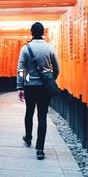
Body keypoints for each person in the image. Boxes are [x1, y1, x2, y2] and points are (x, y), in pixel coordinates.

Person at [16, 22, 59, 160]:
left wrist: (20, 87)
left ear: (32, 33)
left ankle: (28, 137)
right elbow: (57, 69)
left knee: (29, 112)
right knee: (42, 116)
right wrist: (50, 80)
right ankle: (40, 149)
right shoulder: (50, 48)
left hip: (30, 86)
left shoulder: (25, 49)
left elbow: (21, 70)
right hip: (44, 88)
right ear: (43, 32)